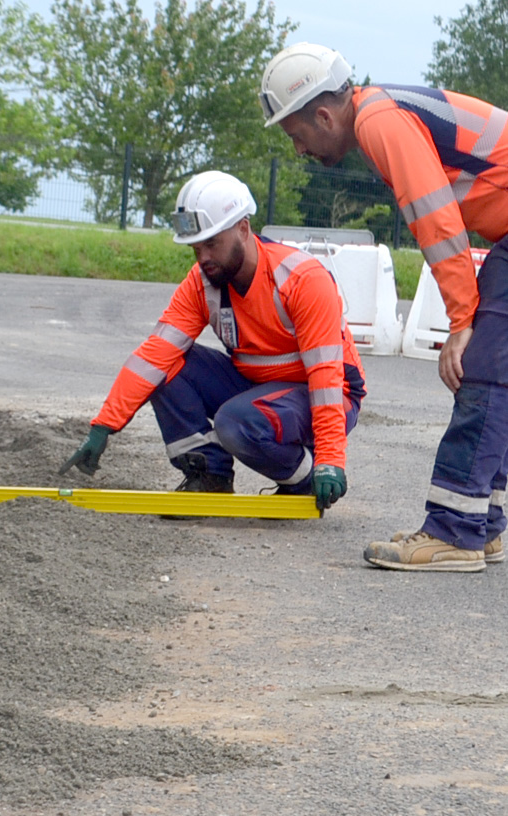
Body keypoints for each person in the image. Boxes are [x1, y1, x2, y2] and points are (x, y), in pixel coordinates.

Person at [260, 42, 508, 573]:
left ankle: (454, 532)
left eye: (295, 134)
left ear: (324, 115)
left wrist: (463, 323)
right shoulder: (383, 112)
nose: (299, 150)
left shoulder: (379, 122)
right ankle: (480, 524)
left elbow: (437, 223)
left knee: (483, 370)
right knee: (496, 374)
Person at [59, 169, 366, 514]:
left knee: (235, 422)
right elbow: (154, 355)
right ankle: (210, 477)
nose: (202, 257)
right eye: (195, 247)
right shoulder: (203, 283)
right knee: (165, 369)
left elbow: (326, 375)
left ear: (243, 229)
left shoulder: (301, 280)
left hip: (327, 396)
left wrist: (329, 459)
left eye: (212, 243)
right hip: (257, 390)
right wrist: (104, 426)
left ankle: (303, 480)